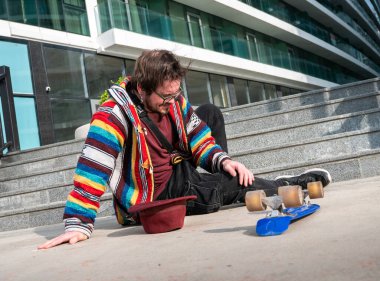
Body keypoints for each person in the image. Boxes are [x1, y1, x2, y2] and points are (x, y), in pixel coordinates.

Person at [38, 49, 331, 249]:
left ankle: (220, 184)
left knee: (210, 113)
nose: (172, 102)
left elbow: (198, 133)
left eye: (176, 94)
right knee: (219, 183)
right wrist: (77, 223)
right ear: (142, 89)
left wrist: (221, 159)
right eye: (165, 97)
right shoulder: (114, 114)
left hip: (179, 169)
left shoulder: (174, 99)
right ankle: (280, 184)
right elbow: (92, 169)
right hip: (153, 196)